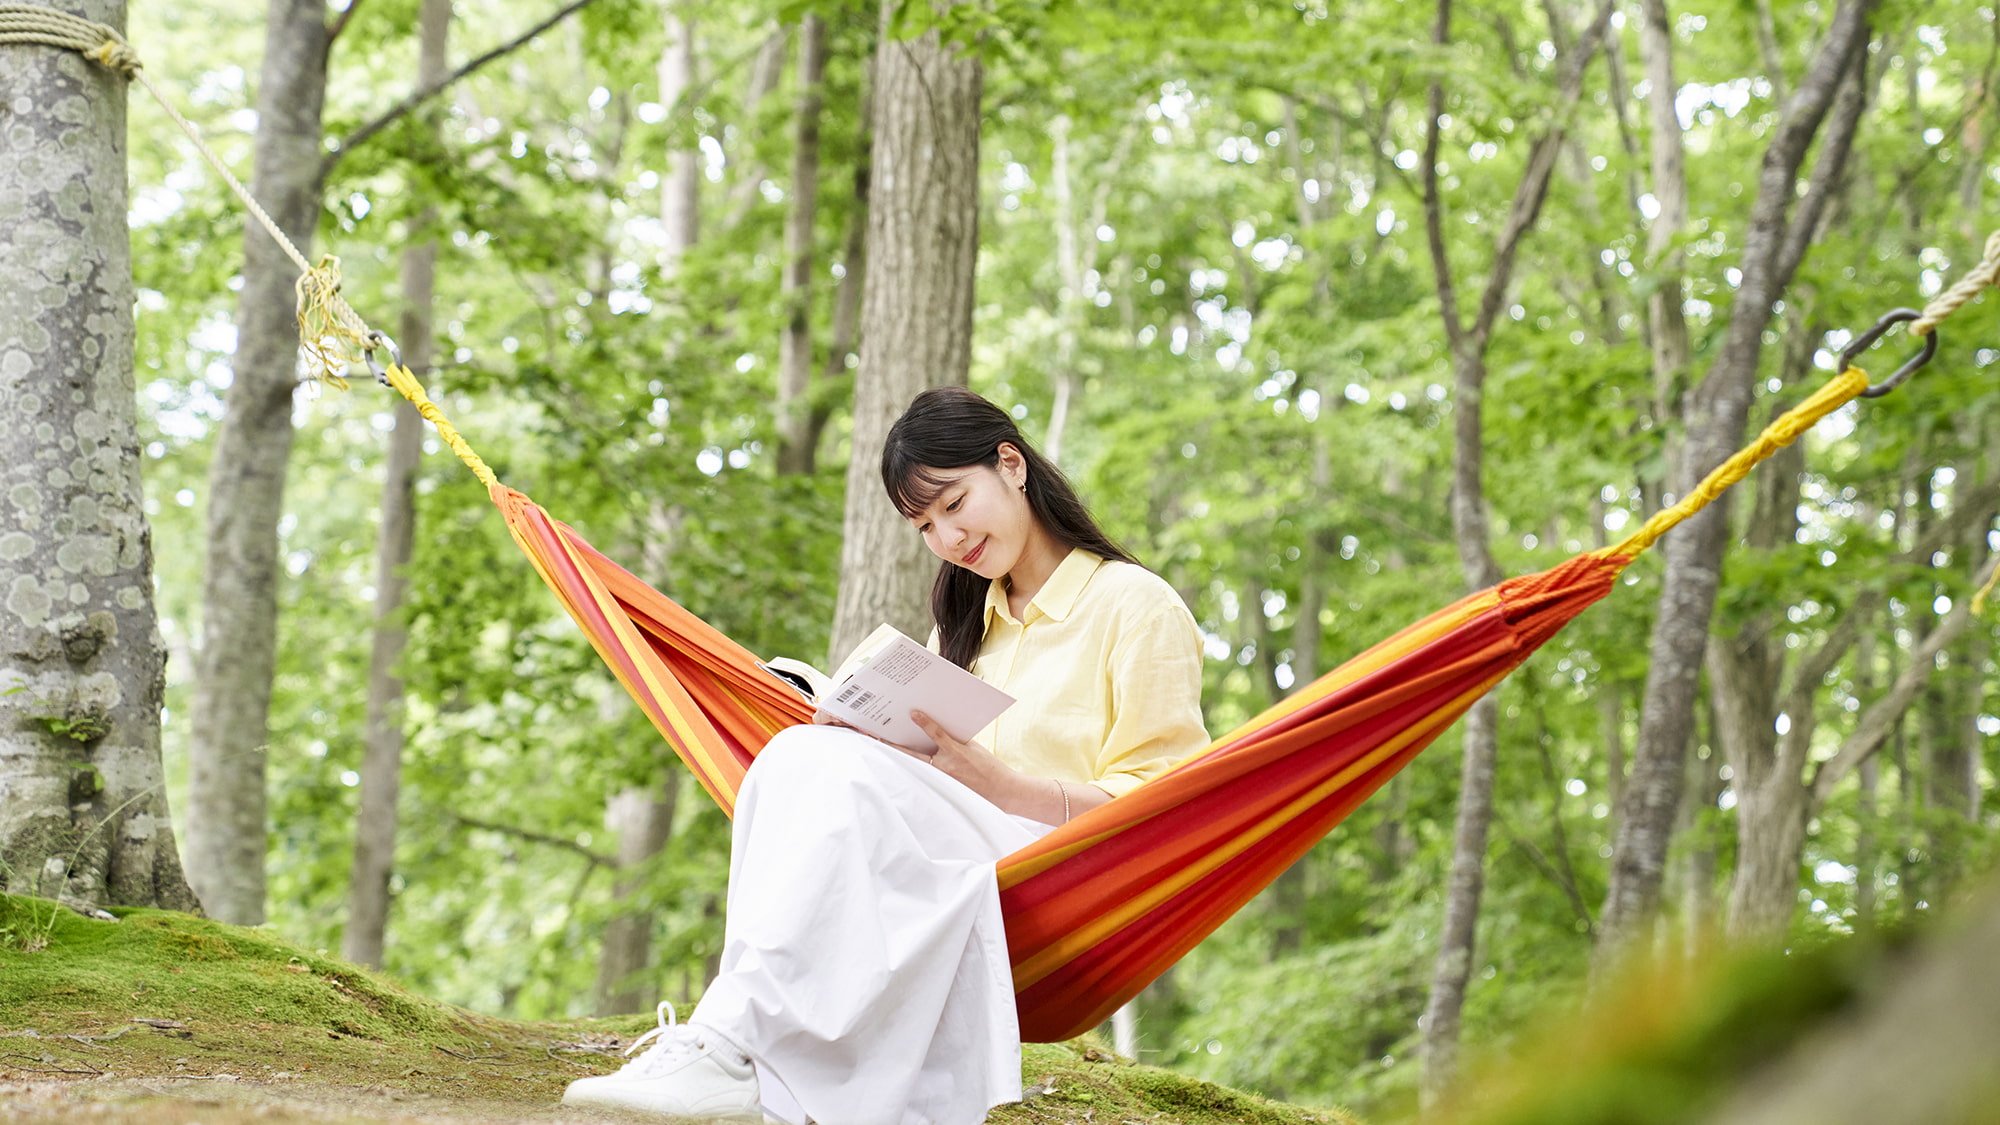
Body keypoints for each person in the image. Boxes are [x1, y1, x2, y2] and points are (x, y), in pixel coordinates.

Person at [562, 387, 1209, 1124]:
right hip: (953, 855)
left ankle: (726, 1046)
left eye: (954, 503)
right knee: (793, 754)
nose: (947, 538)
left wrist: (1010, 787)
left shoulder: (1134, 604)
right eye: (924, 524)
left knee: (819, 764)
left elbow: (1168, 810)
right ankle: (743, 1058)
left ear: (1011, 465)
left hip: (1066, 877)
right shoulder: (967, 629)